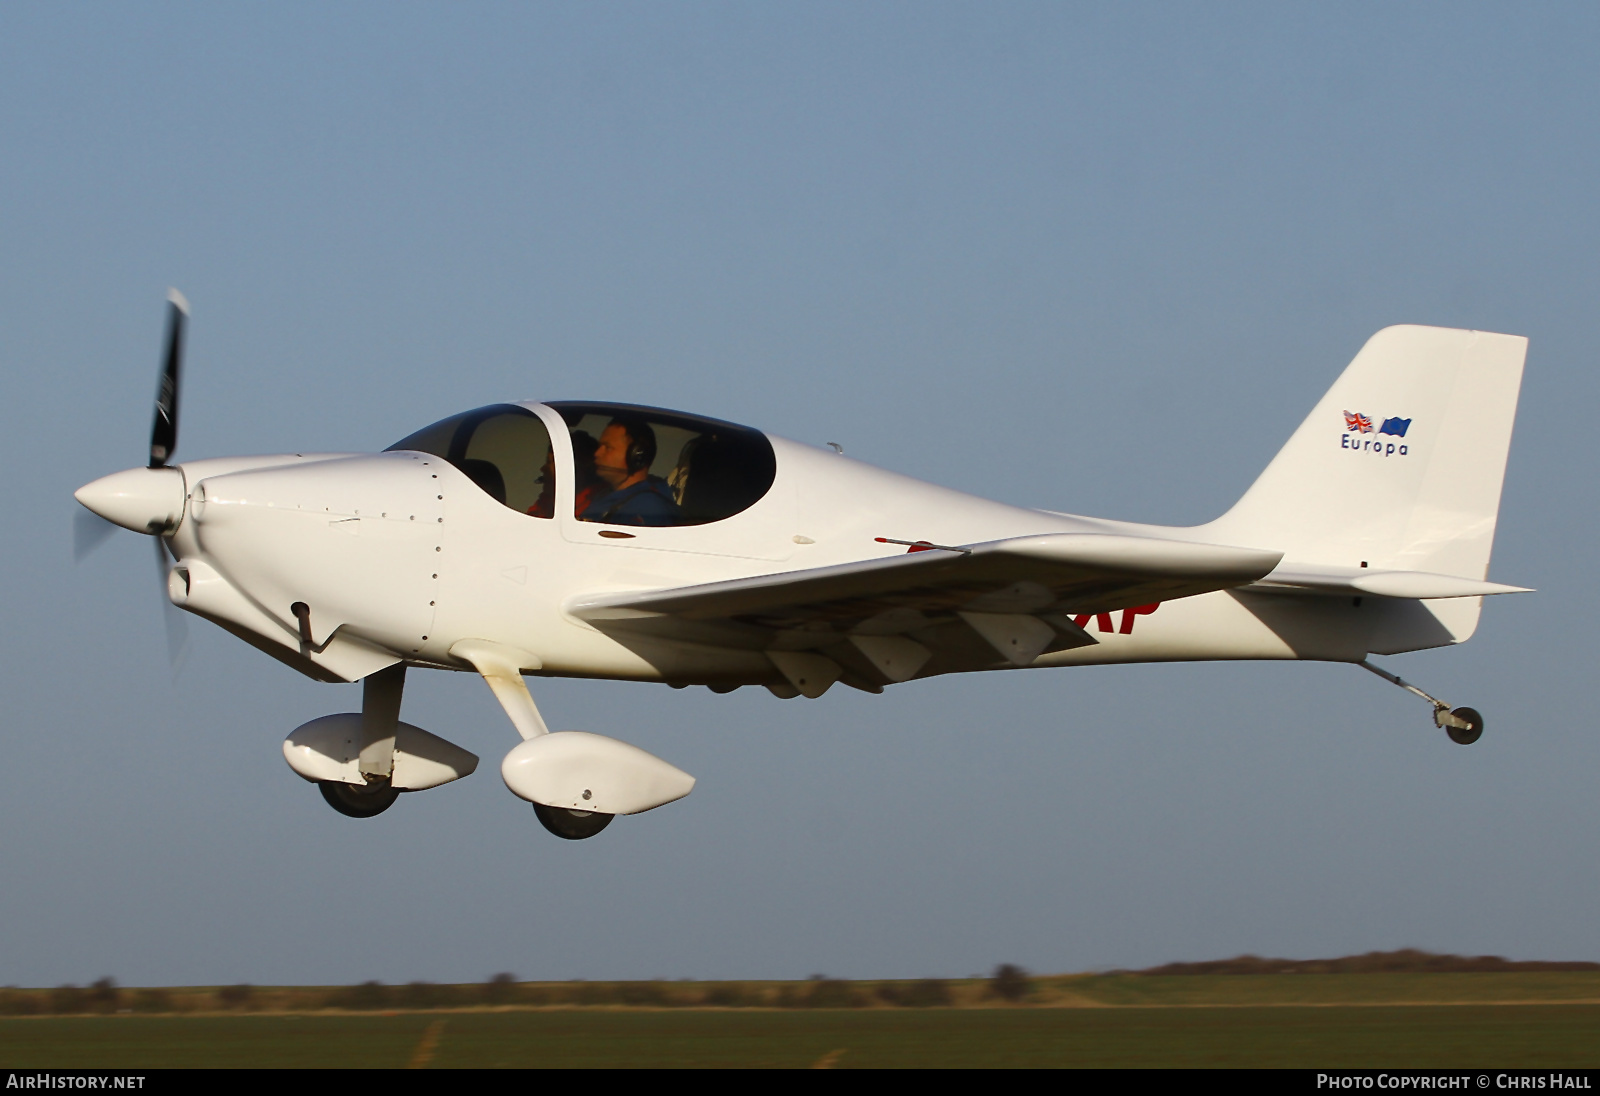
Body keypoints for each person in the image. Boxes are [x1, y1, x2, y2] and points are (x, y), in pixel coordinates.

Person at [579, 417, 680, 526]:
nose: (597, 453)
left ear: (636, 456)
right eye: (600, 446)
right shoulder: (599, 493)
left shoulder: (646, 507)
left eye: (608, 447)